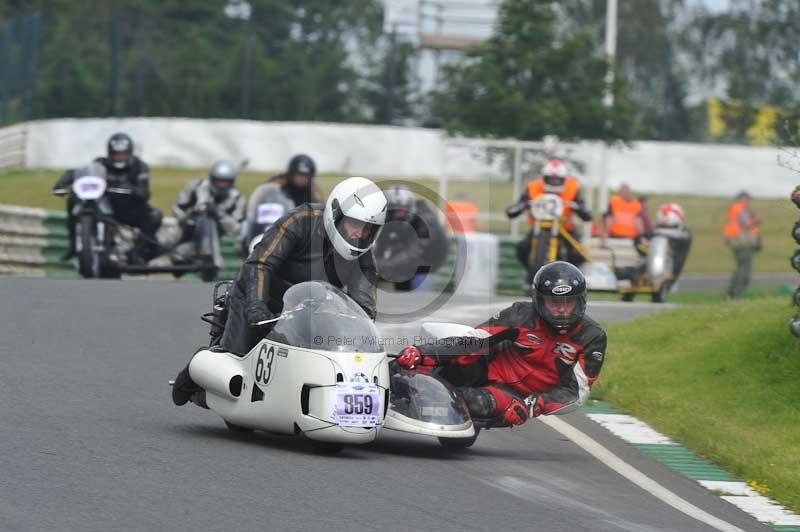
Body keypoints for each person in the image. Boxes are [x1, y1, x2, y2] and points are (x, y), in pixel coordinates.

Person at [172, 176, 388, 406]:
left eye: (367, 229)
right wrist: (257, 306)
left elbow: (364, 300)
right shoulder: (300, 221)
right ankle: (198, 369)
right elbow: (260, 263)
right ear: (336, 214)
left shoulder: (362, 253)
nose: (359, 234)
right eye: (354, 225)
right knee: (236, 359)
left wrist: (359, 327)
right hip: (260, 295)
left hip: (307, 308)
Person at [395, 261, 606, 426]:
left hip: (517, 397)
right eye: (554, 303)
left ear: (580, 301)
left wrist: (534, 405)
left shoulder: (592, 337)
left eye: (568, 303)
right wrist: (422, 352)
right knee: (415, 365)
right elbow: (475, 340)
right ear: (540, 301)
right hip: (486, 368)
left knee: (469, 402)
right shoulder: (522, 315)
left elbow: (575, 392)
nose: (561, 310)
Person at [54, 132, 163, 261]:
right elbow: (80, 173)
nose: (119, 158)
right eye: (116, 154)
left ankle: (138, 251)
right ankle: (73, 243)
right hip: (105, 205)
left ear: (129, 153)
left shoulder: (140, 167)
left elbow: (144, 193)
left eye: (122, 154)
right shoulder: (100, 163)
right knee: (73, 199)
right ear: (110, 153)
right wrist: (63, 183)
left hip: (130, 208)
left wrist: (128, 189)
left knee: (155, 215)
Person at [506, 159, 592, 282]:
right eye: (551, 179)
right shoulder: (533, 187)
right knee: (522, 248)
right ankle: (530, 274)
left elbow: (583, 208)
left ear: (564, 179)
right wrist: (520, 206)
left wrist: (581, 209)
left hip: (564, 227)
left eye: (557, 180)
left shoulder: (573, 187)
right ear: (544, 178)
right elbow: (520, 203)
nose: (554, 182)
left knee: (579, 253)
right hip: (540, 226)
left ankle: (571, 277)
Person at [170, 160, 246, 267]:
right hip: (188, 229)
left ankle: (208, 256)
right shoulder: (197, 187)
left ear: (232, 182)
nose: (222, 186)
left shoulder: (238, 199)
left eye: (225, 182)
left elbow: (236, 228)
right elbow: (177, 206)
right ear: (212, 179)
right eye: (219, 181)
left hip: (216, 238)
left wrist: (219, 215)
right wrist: (185, 219)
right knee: (166, 239)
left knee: (181, 252)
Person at [374, 185, 448, 291]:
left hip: (426, 264)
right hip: (405, 265)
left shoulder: (426, 222)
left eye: (401, 212)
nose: (397, 216)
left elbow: (413, 254)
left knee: (416, 294)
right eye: (394, 212)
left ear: (410, 207)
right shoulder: (391, 219)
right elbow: (382, 244)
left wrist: (379, 265)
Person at [724, 191, 761, 299]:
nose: (749, 202)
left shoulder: (735, 209)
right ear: (742, 199)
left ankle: (731, 294)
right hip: (743, 243)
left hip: (737, 242)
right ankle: (737, 295)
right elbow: (747, 224)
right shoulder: (740, 209)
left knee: (740, 269)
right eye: (747, 199)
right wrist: (756, 219)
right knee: (744, 271)